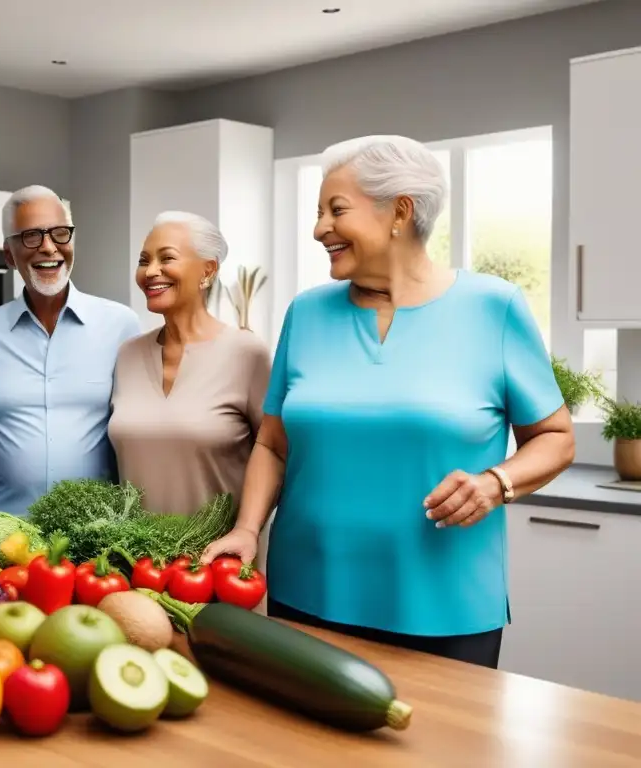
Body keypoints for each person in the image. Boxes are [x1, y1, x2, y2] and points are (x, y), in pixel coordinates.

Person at [203, 135, 575, 669]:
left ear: (400, 211)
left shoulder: (494, 307)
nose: (318, 229)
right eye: (316, 212)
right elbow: (273, 443)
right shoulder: (306, 314)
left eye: (336, 210)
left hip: (443, 604)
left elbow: (556, 438)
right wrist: (246, 528)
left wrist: (496, 483)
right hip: (308, 592)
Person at [0, 185, 141, 517]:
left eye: (60, 234)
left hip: (97, 538)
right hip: (4, 535)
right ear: (8, 254)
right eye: (31, 236)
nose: (49, 248)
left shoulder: (122, 326)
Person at [108, 211, 270, 516]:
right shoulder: (127, 355)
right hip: (135, 558)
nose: (151, 271)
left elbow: (277, 458)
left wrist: (247, 529)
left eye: (166, 258)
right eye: (144, 261)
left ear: (207, 271)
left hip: (219, 560)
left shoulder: (247, 353)